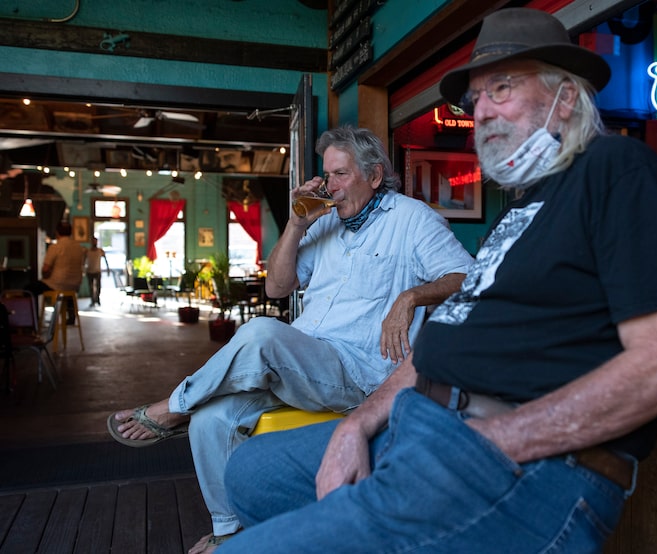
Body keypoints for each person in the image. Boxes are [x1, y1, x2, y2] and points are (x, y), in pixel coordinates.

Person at [219, 8, 657, 553]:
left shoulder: (616, 169)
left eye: (502, 88)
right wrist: (356, 426)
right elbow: (437, 341)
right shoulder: (521, 209)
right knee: (250, 473)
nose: (483, 112)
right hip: (416, 425)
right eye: (476, 101)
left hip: (517, 461)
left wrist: (491, 441)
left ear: (564, 99)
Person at [107, 126, 473, 553]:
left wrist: (410, 296)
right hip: (303, 363)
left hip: (358, 372)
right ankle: (229, 531)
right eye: (327, 175)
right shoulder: (324, 223)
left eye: (340, 175)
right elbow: (277, 289)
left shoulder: (411, 218)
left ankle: (172, 408)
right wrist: (296, 224)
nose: (330, 186)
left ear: (374, 176)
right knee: (211, 419)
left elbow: (468, 276)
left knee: (261, 332)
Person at [26, 220, 86, 324]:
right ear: (71, 232)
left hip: (57, 285)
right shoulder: (79, 248)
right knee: (67, 288)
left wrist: (46, 276)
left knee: (28, 289)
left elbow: (45, 269)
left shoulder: (55, 247)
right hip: (74, 285)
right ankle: (71, 315)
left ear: (57, 233)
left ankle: (31, 322)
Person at [84, 237, 110, 306]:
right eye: (93, 241)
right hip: (89, 271)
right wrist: (83, 270)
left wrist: (108, 269)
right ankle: (92, 300)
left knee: (98, 286)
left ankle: (97, 299)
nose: (94, 243)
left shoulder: (100, 251)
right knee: (91, 287)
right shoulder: (88, 251)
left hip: (97, 271)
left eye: (95, 241)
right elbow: (84, 261)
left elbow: (105, 260)